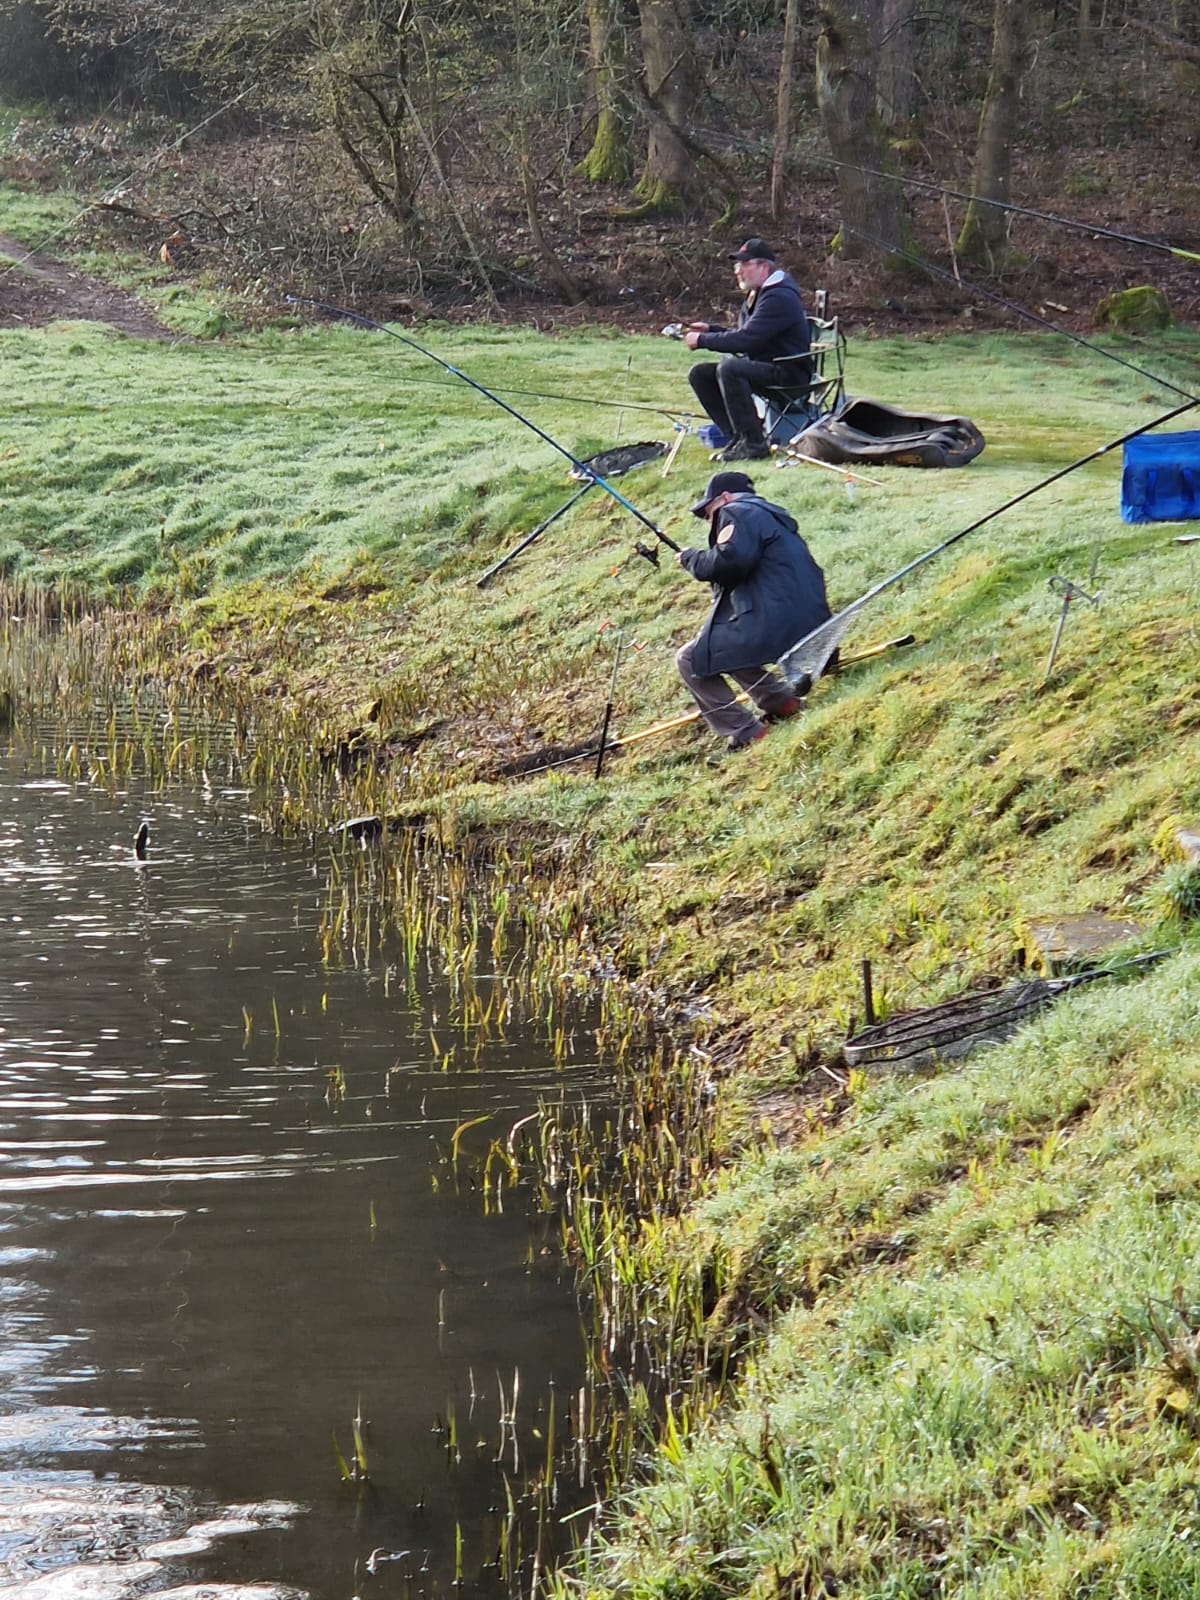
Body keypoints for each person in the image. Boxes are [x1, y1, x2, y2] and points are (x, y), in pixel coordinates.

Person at [676, 470, 831, 760]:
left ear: (724, 497)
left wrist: (692, 559)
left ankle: (745, 731)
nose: (709, 520)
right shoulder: (769, 515)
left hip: (777, 620)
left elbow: (729, 562)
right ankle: (781, 702)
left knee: (690, 658)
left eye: (709, 511)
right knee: (720, 642)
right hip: (809, 616)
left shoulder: (735, 512)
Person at [685, 237, 812, 464]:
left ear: (763, 267)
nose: (738, 271)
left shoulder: (779, 296)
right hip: (767, 366)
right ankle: (737, 437)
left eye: (745, 264)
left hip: (789, 373)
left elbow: (746, 340)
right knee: (700, 374)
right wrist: (711, 330)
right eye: (737, 265)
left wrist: (703, 340)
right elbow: (748, 334)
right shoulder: (760, 293)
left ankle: (753, 444)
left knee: (730, 368)